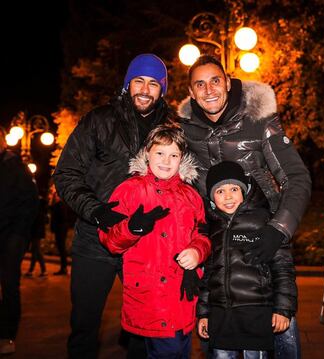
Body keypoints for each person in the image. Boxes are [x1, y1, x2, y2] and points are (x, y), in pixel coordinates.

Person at [178, 55, 311, 358]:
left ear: (226, 81)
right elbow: (177, 190)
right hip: (218, 248)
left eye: (215, 80)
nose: (209, 89)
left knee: (280, 335)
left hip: (262, 242)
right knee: (219, 343)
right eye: (200, 84)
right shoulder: (186, 132)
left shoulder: (259, 121)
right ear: (191, 92)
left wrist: (278, 230)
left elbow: (296, 177)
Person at [53, 53, 170, 358]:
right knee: (84, 325)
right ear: (127, 85)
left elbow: (185, 181)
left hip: (145, 245)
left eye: (153, 83)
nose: (145, 89)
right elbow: (65, 174)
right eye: (138, 81)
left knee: (144, 331)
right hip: (95, 242)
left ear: (163, 90)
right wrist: (97, 211)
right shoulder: (99, 120)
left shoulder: (172, 129)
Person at [99, 124, 211, 358]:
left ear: (182, 159)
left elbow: (202, 234)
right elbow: (109, 240)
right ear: (147, 152)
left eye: (174, 155)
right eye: (160, 152)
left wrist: (197, 251)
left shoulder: (190, 196)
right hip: (149, 295)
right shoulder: (129, 190)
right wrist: (131, 228)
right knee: (166, 351)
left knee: (180, 350)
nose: (166, 161)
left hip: (182, 294)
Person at [197, 161, 297, 359]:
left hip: (256, 313)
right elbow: (208, 275)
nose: (227, 196)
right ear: (211, 198)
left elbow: (282, 267)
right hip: (221, 315)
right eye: (220, 191)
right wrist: (204, 314)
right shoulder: (212, 229)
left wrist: (283, 309)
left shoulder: (264, 222)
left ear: (245, 190)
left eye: (234, 189)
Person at [0, 126, 39, 354]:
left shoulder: (15, 166)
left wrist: (18, 234)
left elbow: (31, 202)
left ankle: (6, 335)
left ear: (4, 141)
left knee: (9, 285)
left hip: (11, 237)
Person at [24, 195, 48, 277]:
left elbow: (35, 224)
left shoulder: (39, 212)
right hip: (36, 234)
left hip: (36, 234)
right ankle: (32, 270)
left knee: (37, 252)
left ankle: (43, 270)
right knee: (35, 252)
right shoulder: (39, 212)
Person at [49, 188, 69, 275]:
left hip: (60, 229)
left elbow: (61, 218)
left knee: (61, 248)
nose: (54, 197)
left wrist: (55, 227)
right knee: (61, 248)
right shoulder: (59, 205)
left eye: (56, 195)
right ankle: (63, 267)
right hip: (60, 229)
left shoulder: (60, 205)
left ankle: (63, 268)